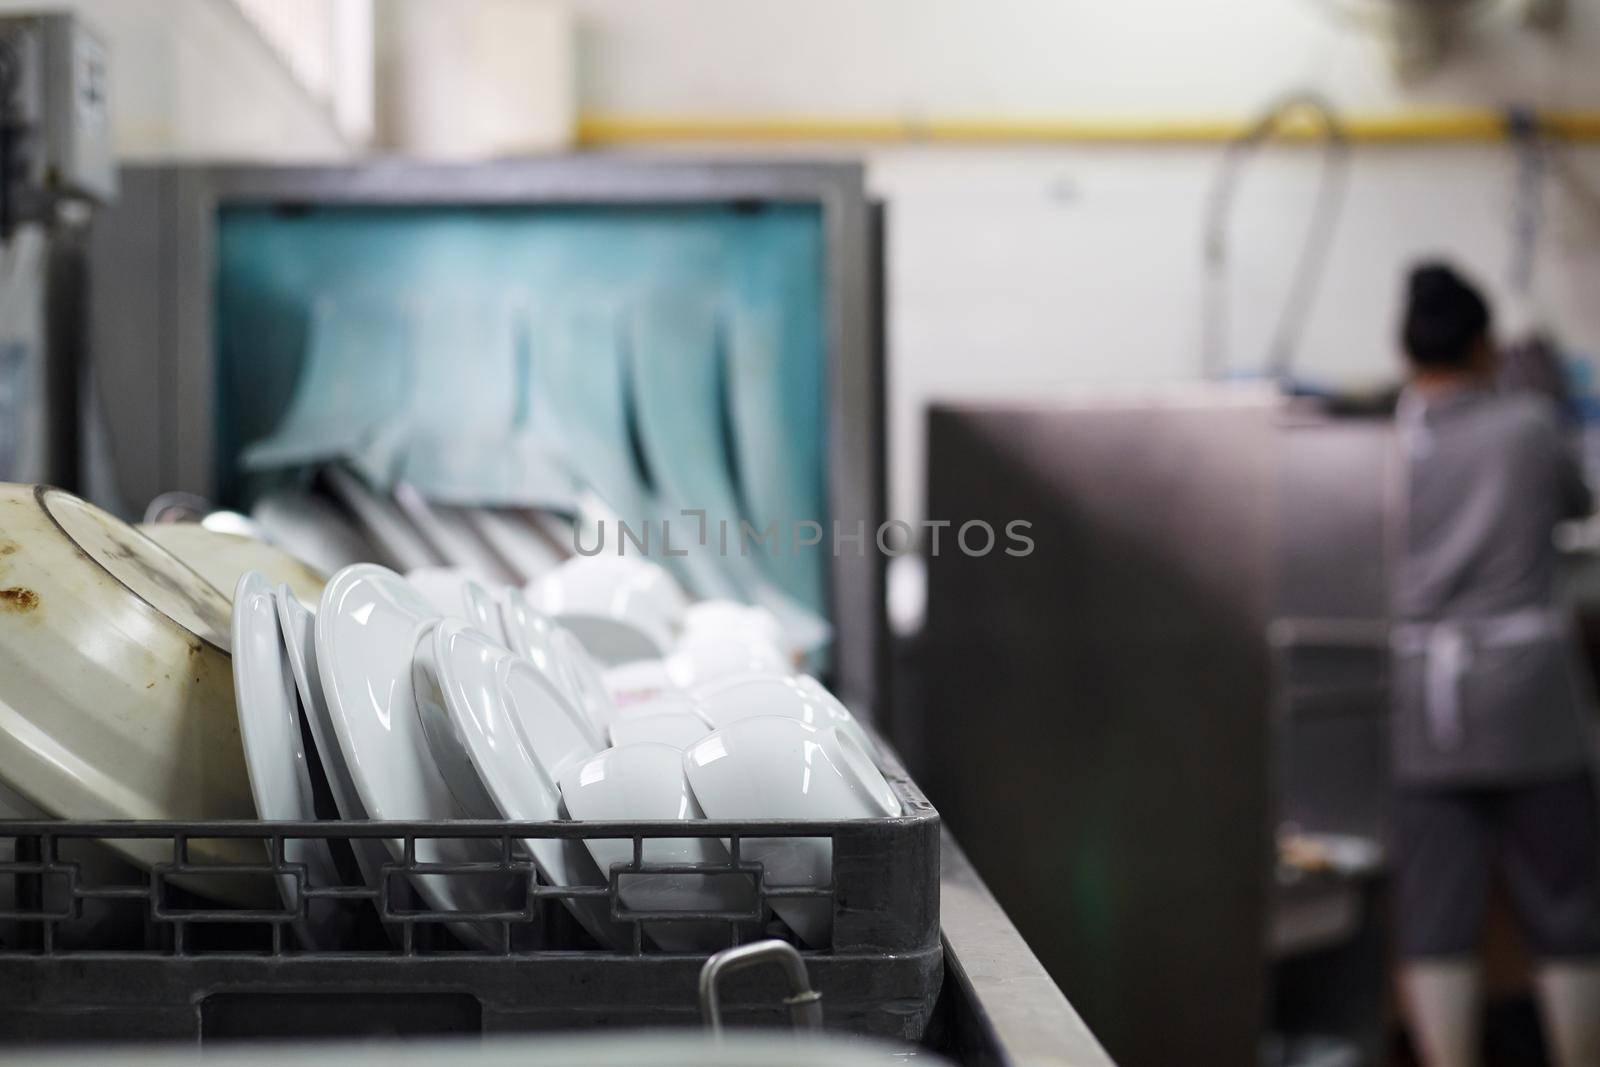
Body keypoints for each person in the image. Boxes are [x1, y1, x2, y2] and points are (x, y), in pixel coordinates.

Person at [1391, 261, 1600, 1067]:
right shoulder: (1528, 426)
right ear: (1484, 344)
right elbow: (1579, 503)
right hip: (1530, 700)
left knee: (1437, 908)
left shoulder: (1393, 441)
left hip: (1427, 709)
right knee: (1567, 899)